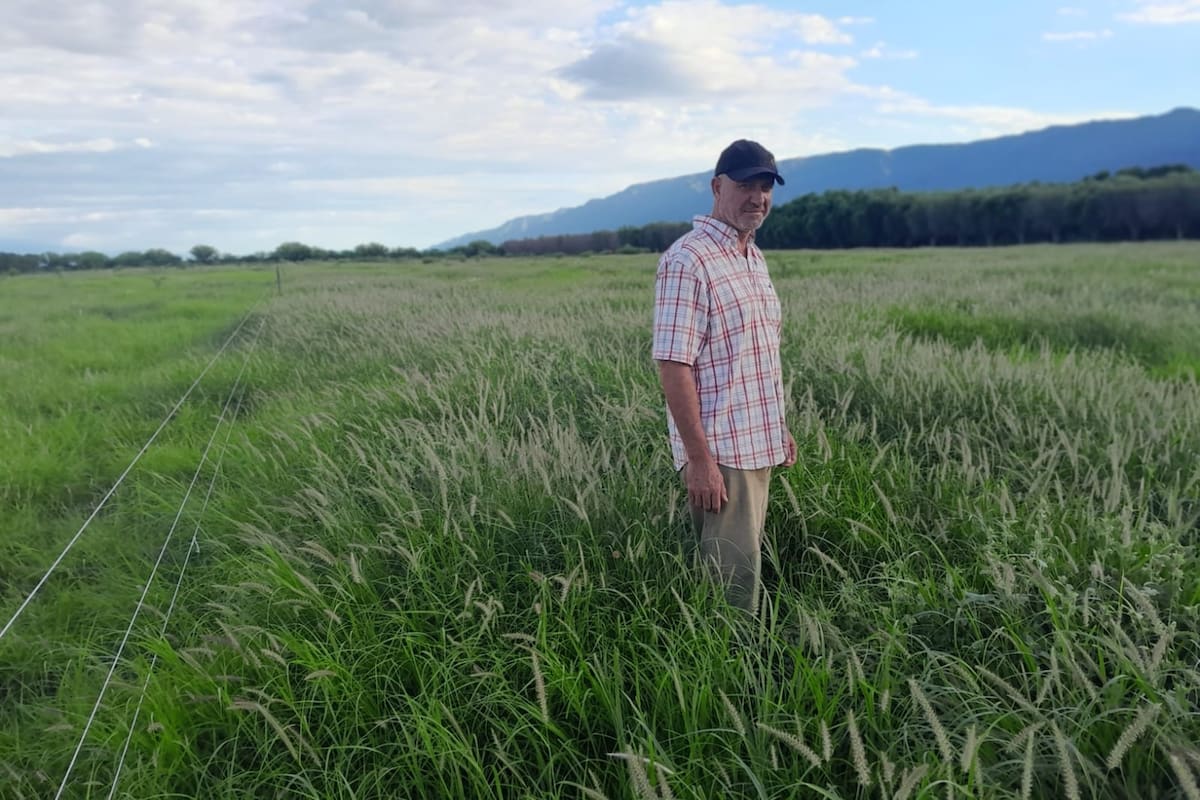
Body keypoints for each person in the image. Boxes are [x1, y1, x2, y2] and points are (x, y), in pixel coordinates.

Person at [652, 139, 797, 614]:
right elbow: (674, 365)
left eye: (765, 187)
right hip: (723, 453)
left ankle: (738, 670)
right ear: (717, 187)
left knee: (745, 569)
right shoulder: (687, 260)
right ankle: (730, 680)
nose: (757, 197)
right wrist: (699, 461)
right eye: (745, 185)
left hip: (758, 442)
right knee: (732, 592)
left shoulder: (751, 257)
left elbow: (755, 354)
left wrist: (779, 429)